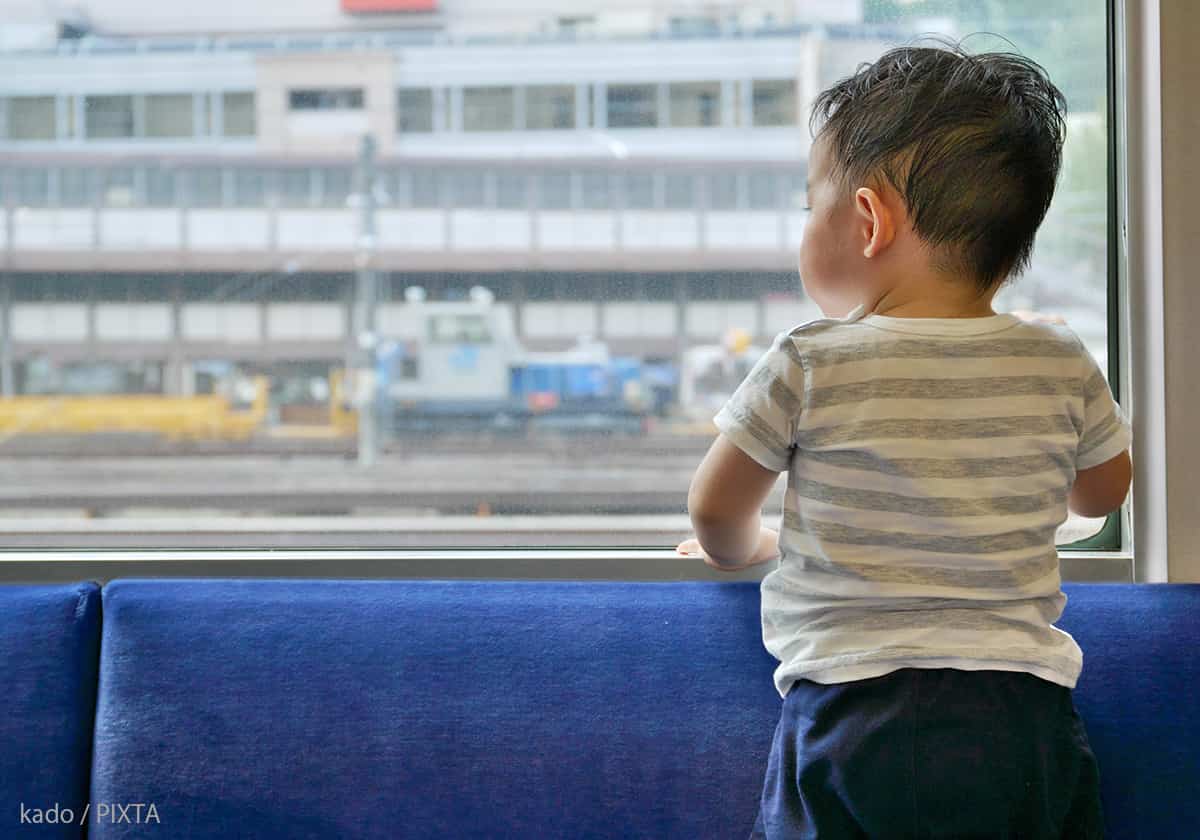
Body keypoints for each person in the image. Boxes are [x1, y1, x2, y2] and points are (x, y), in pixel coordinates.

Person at [676, 43, 1131, 838]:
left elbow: (714, 511)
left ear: (868, 218)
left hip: (855, 712)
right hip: (1022, 716)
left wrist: (754, 548)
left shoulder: (809, 359)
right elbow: (1102, 493)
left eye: (810, 204)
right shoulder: (1059, 358)